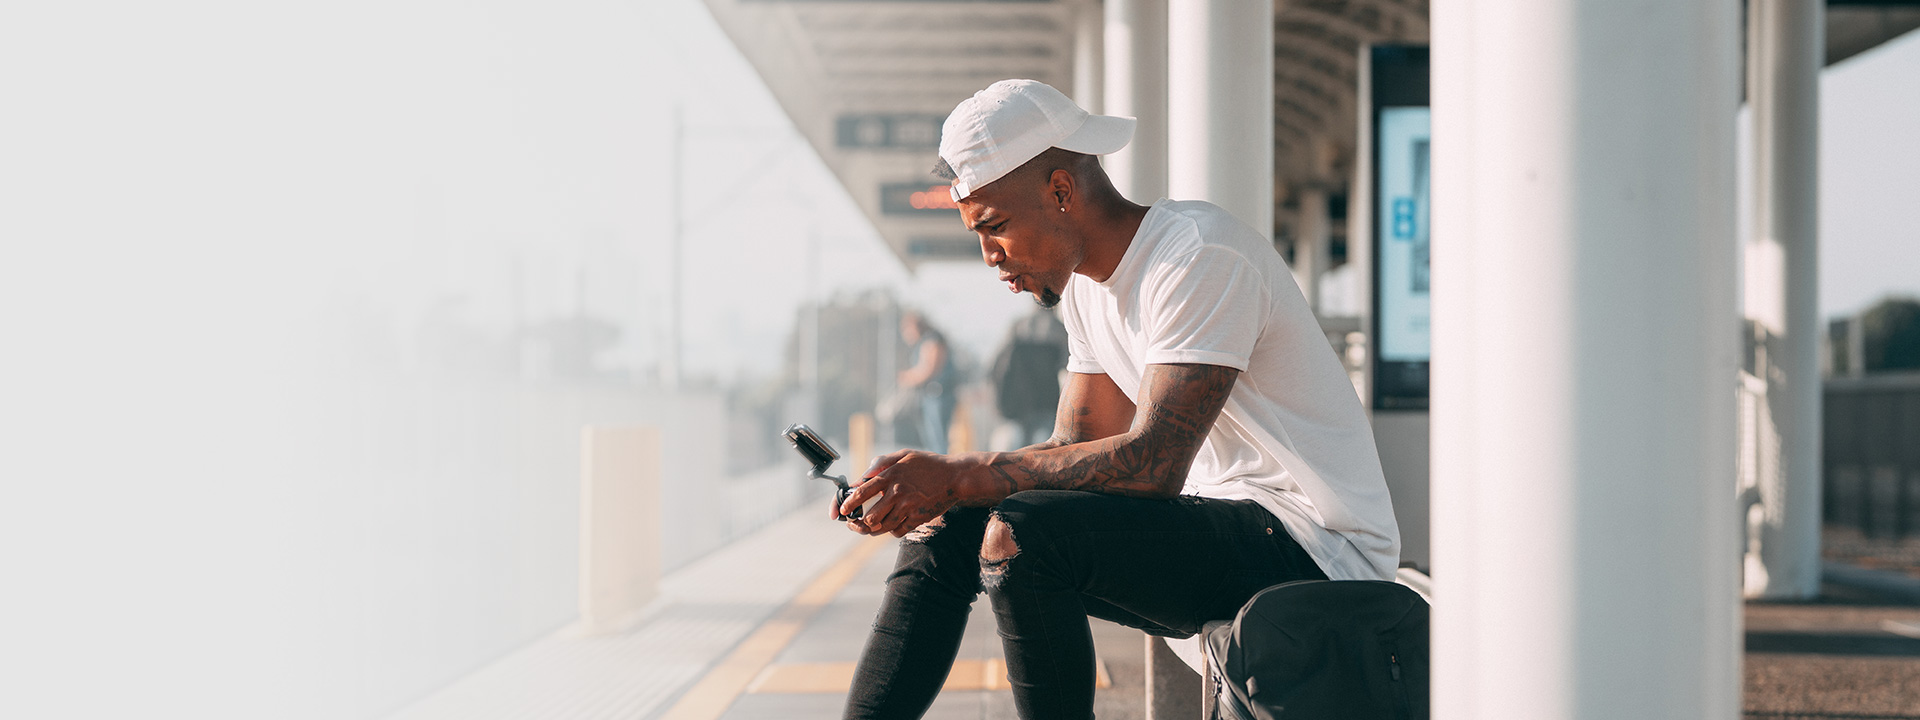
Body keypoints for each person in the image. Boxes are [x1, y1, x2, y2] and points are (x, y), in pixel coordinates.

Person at [836, 79, 1399, 720]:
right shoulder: (1085, 291)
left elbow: (1153, 464)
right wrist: (940, 486)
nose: (989, 256)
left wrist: (964, 475)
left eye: (995, 226)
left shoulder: (1195, 256)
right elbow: (1074, 452)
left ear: (1060, 190)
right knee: (953, 524)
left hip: (1316, 553)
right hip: (1230, 531)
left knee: (1023, 536)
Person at [990, 306, 1069, 448]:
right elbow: (1070, 368)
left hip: (1017, 401)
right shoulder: (1060, 329)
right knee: (1043, 453)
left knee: (1013, 451)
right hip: (1047, 401)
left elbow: (998, 364)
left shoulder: (1018, 326)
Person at [895, 311, 957, 453]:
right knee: (931, 442)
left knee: (938, 442)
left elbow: (929, 369)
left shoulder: (932, 340)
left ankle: (941, 472)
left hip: (938, 396)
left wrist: (908, 378)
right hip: (930, 396)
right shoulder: (925, 342)